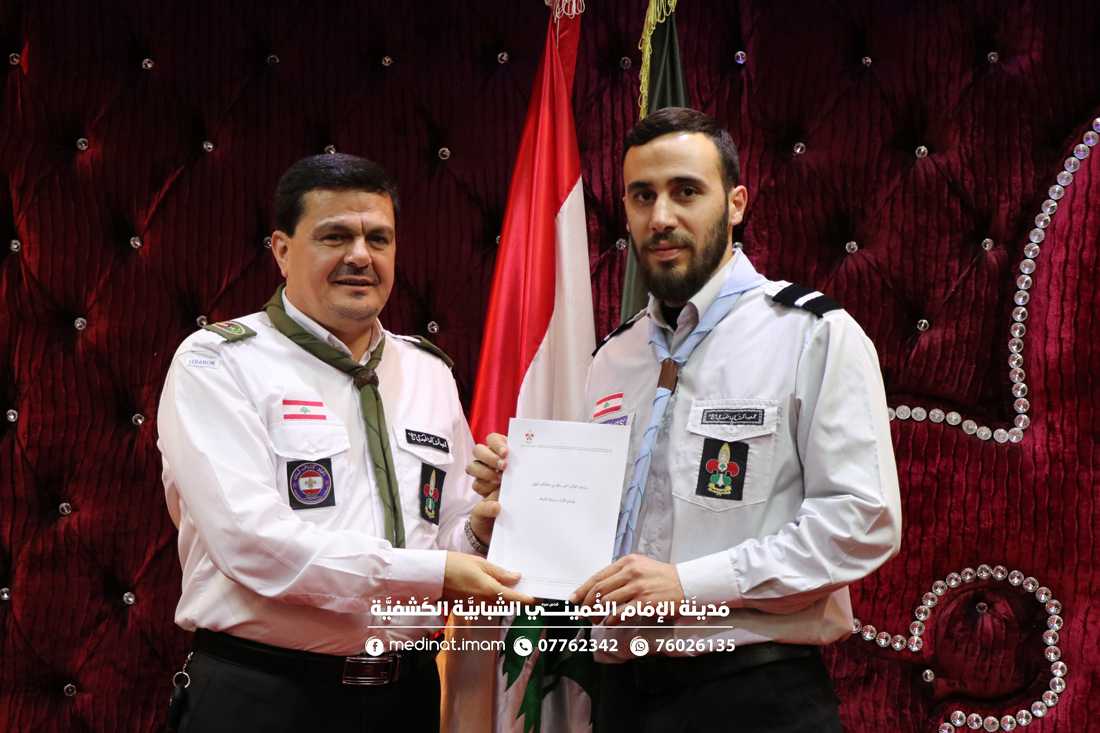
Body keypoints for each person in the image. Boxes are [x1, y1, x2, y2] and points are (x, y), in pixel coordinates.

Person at [468, 108, 902, 732]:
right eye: (642, 196)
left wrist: (690, 583)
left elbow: (862, 521)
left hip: (755, 695)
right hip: (623, 697)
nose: (661, 217)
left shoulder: (811, 334)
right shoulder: (612, 358)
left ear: (735, 204)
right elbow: (592, 527)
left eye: (686, 191)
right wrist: (521, 500)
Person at [157, 153, 530, 732]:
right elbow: (250, 543)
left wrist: (479, 529)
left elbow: (445, 535)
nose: (361, 256)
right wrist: (432, 573)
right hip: (263, 695)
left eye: (378, 238)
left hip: (405, 697)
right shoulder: (217, 362)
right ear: (282, 250)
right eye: (335, 237)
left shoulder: (428, 371)